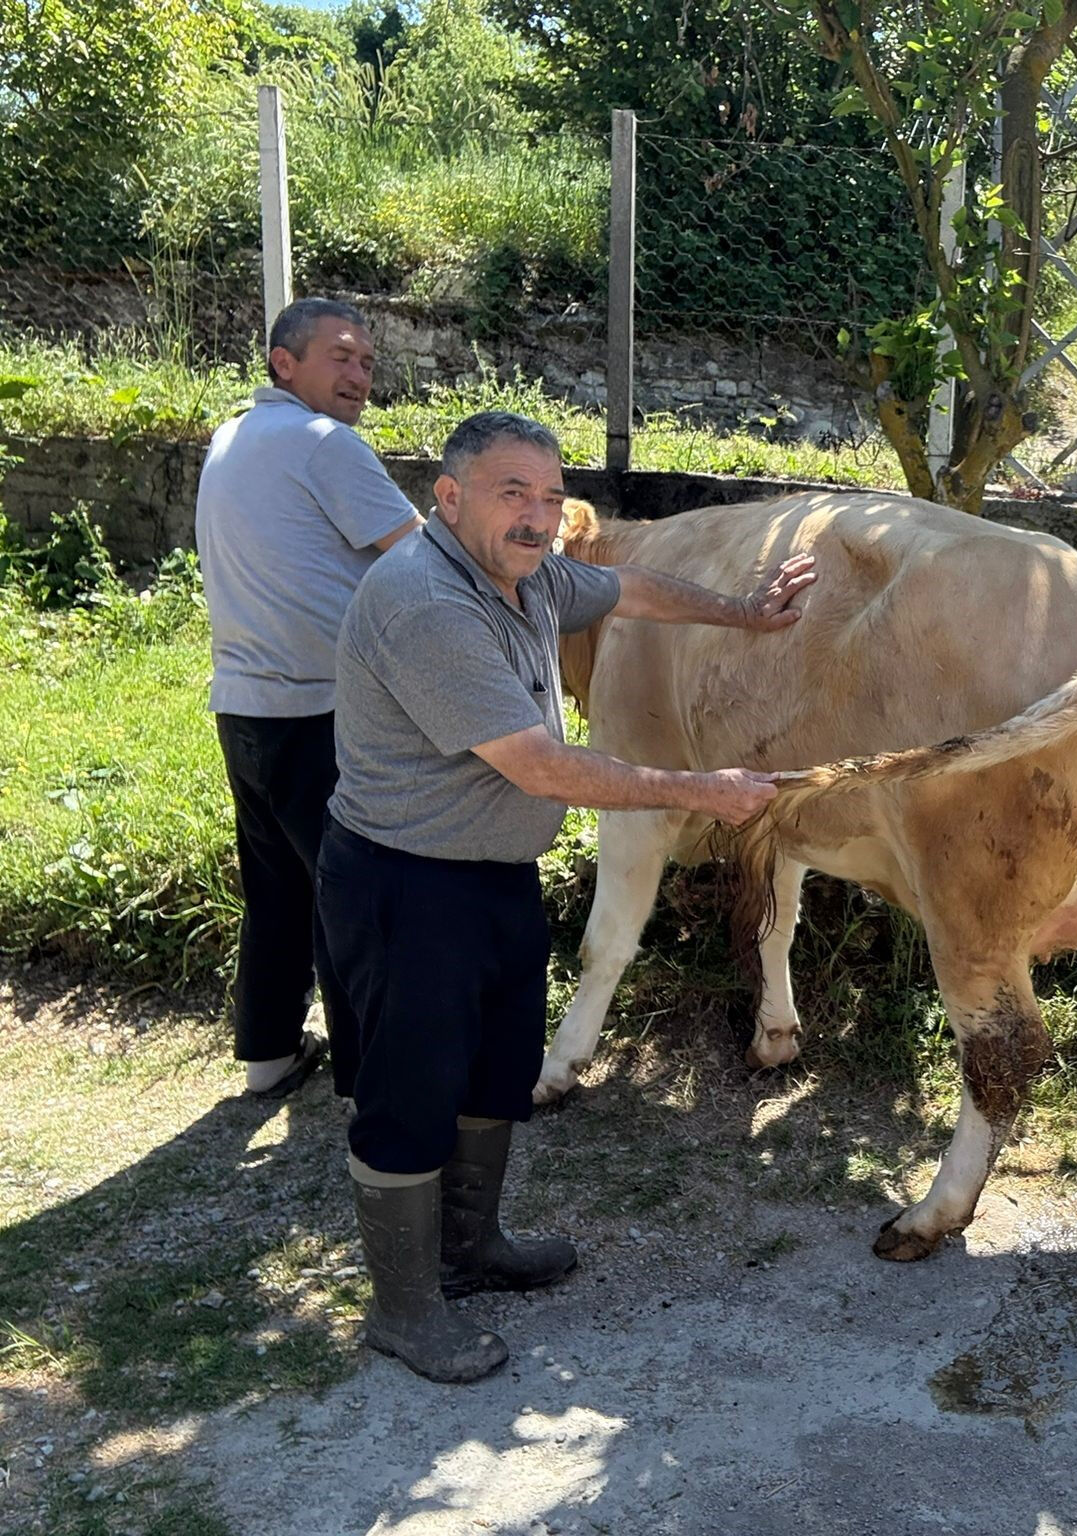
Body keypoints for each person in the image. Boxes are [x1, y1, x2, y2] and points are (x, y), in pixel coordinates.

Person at [318, 410, 816, 1383]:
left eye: (550, 496)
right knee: (408, 1096)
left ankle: (470, 1250)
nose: (537, 515)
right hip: (404, 884)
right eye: (512, 492)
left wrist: (747, 612)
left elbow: (630, 589)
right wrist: (701, 792)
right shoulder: (426, 601)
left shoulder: (530, 576)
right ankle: (404, 1311)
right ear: (448, 497)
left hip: (492, 875)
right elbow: (541, 766)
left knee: (495, 1071)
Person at [196, 297, 423, 1098]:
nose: (360, 374)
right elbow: (423, 555)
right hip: (319, 710)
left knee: (277, 887)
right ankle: (371, 1077)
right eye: (341, 356)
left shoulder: (232, 437)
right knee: (351, 892)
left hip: (243, 707)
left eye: (367, 361)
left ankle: (268, 1056)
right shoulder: (324, 442)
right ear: (283, 363)